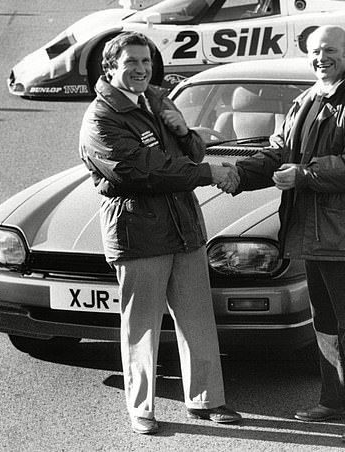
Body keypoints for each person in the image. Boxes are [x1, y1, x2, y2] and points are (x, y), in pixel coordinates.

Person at [229, 25, 345, 445]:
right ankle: (334, 400)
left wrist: (302, 175)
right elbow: (279, 151)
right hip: (316, 236)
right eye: (316, 51)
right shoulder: (306, 100)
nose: (322, 58)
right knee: (326, 324)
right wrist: (236, 175)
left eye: (331, 51)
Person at [78, 31, 242, 436]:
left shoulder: (156, 100)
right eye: (131, 62)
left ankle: (206, 401)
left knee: (197, 319)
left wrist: (184, 131)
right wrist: (206, 174)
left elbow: (195, 153)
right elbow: (142, 171)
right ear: (110, 66)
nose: (140, 69)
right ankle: (141, 408)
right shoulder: (101, 118)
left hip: (182, 226)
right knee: (142, 326)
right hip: (139, 232)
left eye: (146, 62)